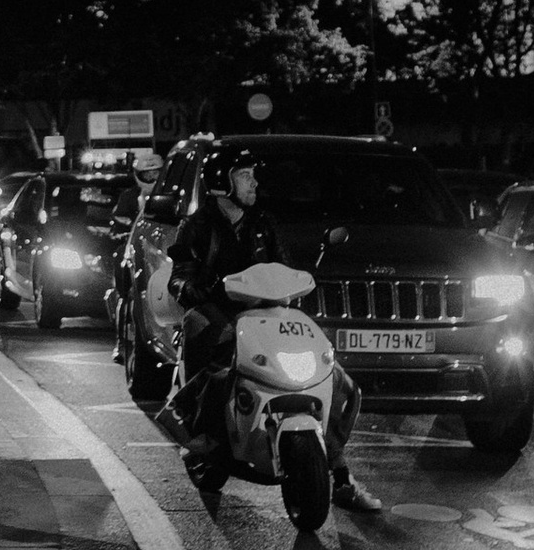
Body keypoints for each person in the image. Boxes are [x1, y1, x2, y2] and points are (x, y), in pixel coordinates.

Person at [164, 156, 383, 519]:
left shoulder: (263, 223)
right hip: (222, 309)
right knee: (209, 336)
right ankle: (202, 433)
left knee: (331, 372)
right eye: (245, 176)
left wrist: (298, 280)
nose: (253, 183)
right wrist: (197, 286)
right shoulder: (197, 226)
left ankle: (341, 475)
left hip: (266, 311)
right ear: (222, 183)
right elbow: (180, 276)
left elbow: (283, 266)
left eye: (252, 176)